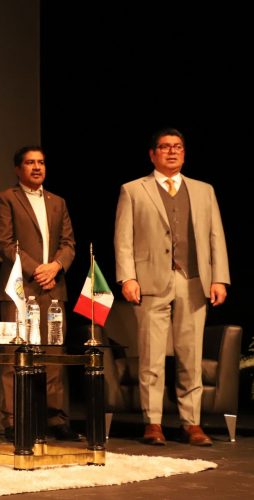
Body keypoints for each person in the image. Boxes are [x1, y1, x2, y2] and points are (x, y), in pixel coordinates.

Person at [114, 128, 229, 446]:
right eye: (165, 147)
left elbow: (215, 236)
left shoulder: (203, 190)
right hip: (151, 280)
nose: (172, 151)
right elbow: (123, 239)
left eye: (177, 147)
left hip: (193, 280)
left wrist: (219, 277)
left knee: (190, 355)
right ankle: (153, 422)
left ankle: (192, 423)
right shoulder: (133, 190)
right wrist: (128, 277)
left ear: (184, 152)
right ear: (152, 154)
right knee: (151, 356)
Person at [0, 145, 81, 442]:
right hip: (19, 288)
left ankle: (56, 419)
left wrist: (55, 266)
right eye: (30, 163)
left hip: (53, 287)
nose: (37, 167)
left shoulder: (58, 202)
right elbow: (5, 243)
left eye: (41, 162)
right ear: (18, 169)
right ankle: (12, 421)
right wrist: (37, 269)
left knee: (53, 358)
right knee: (14, 356)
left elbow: (68, 243)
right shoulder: (5, 199)